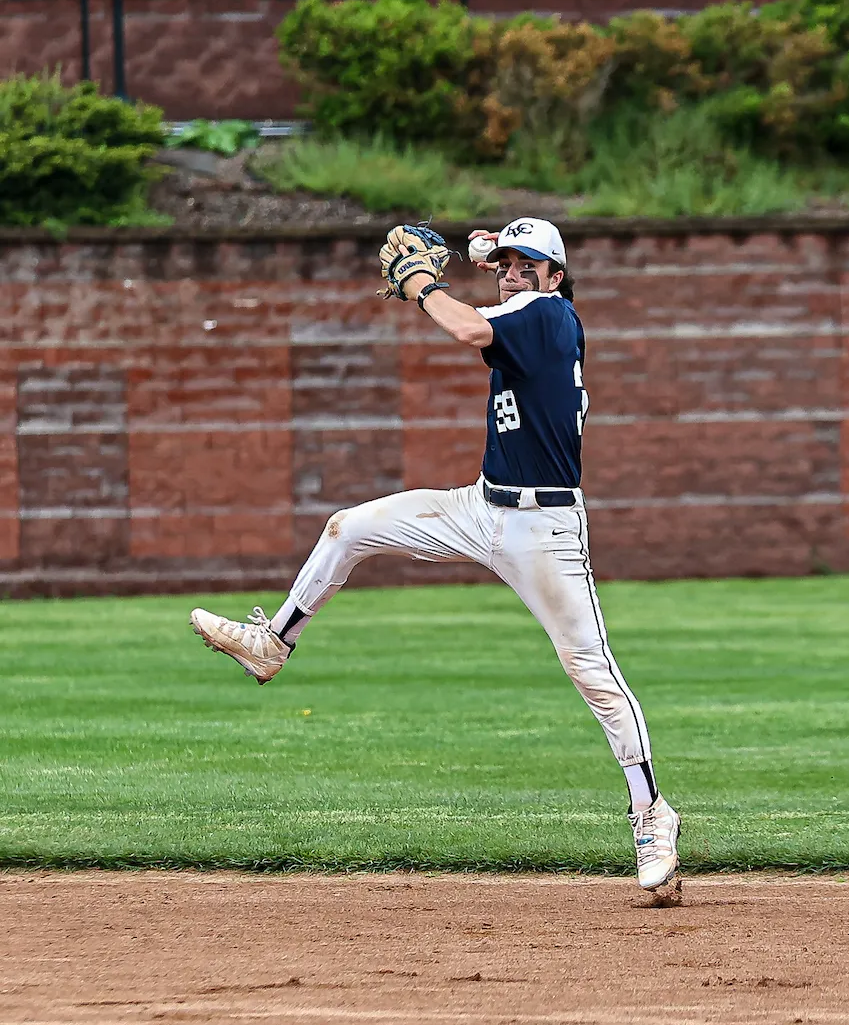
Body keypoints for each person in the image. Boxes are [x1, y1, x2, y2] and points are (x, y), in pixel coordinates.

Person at [190, 217, 682, 904]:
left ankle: (651, 813)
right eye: (506, 264)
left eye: (527, 264)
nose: (513, 272)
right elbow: (496, 293)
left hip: (545, 530)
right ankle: (273, 642)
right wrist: (488, 253)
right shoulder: (526, 302)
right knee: (349, 528)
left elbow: (469, 329)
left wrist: (422, 281)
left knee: (590, 670)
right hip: (481, 508)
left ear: (557, 277)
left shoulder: (547, 316)